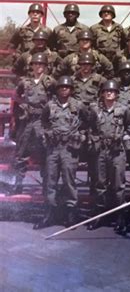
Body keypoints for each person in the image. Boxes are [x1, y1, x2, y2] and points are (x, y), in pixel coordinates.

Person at [34, 76, 89, 229]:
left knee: (69, 181)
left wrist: (82, 135)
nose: (64, 89)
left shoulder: (78, 106)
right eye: (61, 87)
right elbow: (42, 121)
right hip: (53, 148)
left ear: (71, 90)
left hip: (69, 149)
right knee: (50, 181)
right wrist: (45, 135)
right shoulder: (50, 106)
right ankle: (49, 214)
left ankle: (70, 214)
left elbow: (88, 121)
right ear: (57, 89)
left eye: (67, 87)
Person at [87, 80, 130, 231]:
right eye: (106, 91)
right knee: (100, 184)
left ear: (117, 94)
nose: (109, 93)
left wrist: (123, 137)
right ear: (102, 93)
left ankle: (120, 216)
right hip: (101, 149)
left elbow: (129, 125)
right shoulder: (95, 109)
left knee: (119, 184)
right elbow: (91, 126)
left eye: (112, 91)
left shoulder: (123, 109)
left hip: (117, 150)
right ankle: (98, 215)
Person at [12, 53, 56, 193]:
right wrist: (23, 104)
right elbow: (16, 96)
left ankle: (45, 185)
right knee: (22, 152)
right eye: (36, 64)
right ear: (32, 66)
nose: (38, 67)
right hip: (27, 120)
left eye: (41, 64)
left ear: (45, 66)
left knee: (44, 152)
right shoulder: (25, 82)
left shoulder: (50, 82)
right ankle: (18, 184)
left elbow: (56, 97)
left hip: (41, 121)